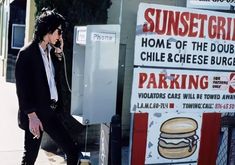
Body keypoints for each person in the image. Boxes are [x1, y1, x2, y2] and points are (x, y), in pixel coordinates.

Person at [15, 8, 82, 165]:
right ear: (48, 29)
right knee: (30, 157)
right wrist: (32, 117)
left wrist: (59, 53)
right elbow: (22, 90)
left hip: (50, 113)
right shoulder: (27, 54)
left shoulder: (50, 52)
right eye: (58, 31)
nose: (60, 35)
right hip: (36, 115)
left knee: (72, 151)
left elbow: (53, 79)